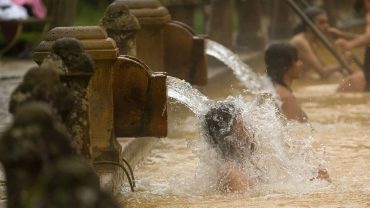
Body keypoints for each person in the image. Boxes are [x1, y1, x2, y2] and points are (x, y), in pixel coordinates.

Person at [202, 101, 256, 192]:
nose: (251, 129)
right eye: (242, 124)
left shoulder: (244, 166)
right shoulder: (233, 175)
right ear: (228, 135)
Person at [290, 6, 351, 79]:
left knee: (338, 75)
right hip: (294, 84)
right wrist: (344, 63)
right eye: (321, 22)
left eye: (326, 22)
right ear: (309, 26)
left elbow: (324, 67)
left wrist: (343, 66)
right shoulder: (300, 42)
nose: (327, 26)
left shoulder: (311, 43)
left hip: (303, 81)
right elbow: (322, 72)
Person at [265, 42, 308, 122]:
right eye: (296, 60)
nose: (301, 64)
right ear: (285, 65)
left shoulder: (269, 88)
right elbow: (299, 130)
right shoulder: (286, 98)